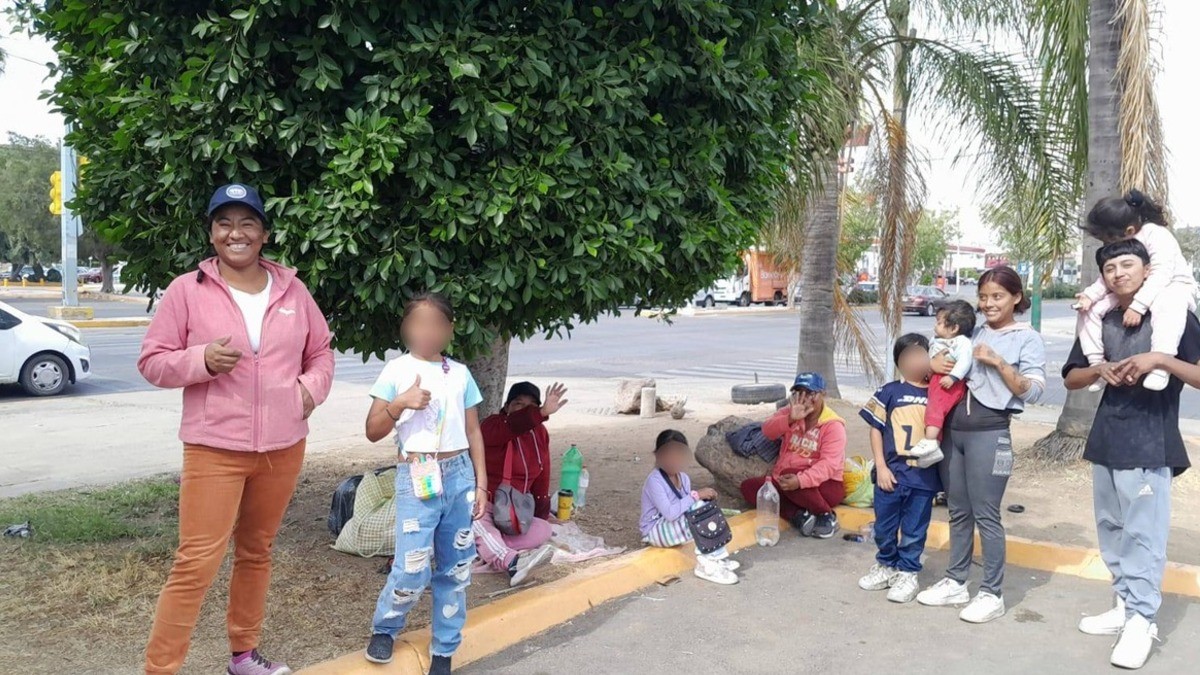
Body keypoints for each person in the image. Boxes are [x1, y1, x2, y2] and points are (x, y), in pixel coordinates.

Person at [138, 183, 335, 675]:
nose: (236, 233)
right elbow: (152, 361)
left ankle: (243, 656)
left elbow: (321, 351)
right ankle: (160, 669)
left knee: (256, 551)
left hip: (283, 447)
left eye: (247, 223)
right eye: (224, 223)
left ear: (264, 234)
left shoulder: (293, 289)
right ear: (212, 234)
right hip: (214, 449)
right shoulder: (188, 291)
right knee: (195, 564)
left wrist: (309, 390)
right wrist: (199, 359)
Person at [1064, 239, 1200, 670]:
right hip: (1106, 439)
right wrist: (1098, 369)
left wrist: (1158, 358)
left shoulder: (1175, 313)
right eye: (1110, 268)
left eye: (1128, 264)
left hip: (1150, 441)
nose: (1119, 273)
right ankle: (1124, 605)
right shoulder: (1099, 316)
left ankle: (1143, 619)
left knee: (1144, 535)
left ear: (1147, 269)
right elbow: (1070, 377)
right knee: (1112, 529)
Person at [361, 293, 488, 674]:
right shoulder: (396, 371)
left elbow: (472, 430)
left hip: (459, 475)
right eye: (418, 324)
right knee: (412, 567)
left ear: (449, 329)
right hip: (416, 475)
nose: (427, 332)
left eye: (436, 325)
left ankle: (444, 649)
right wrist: (400, 403)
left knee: (455, 568)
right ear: (405, 328)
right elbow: (372, 430)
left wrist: (481, 483)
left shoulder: (461, 374)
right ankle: (385, 627)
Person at [916, 265, 1046, 624]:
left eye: (998, 296)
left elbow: (1034, 391)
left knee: (987, 515)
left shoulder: (1026, 337)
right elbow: (943, 372)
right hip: (954, 434)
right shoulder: (972, 334)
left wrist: (998, 362)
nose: (989, 304)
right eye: (984, 297)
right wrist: (936, 363)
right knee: (958, 510)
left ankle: (992, 592)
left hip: (991, 434)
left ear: (1016, 298)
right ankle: (956, 581)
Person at [1074, 190, 1197, 392]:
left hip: (1173, 286)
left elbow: (1161, 274)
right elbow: (1106, 277)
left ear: (1129, 230)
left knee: (1167, 302)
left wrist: (1138, 306)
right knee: (1089, 309)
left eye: (1106, 239)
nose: (1105, 244)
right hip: (1137, 293)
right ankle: (1096, 361)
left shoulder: (1157, 236)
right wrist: (1089, 296)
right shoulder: (1124, 240)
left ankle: (1160, 363)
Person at [858, 334, 941, 604]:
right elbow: (875, 430)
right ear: (898, 362)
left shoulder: (938, 393)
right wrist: (880, 466)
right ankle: (886, 564)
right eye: (908, 356)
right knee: (884, 525)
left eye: (921, 355)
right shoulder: (889, 391)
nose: (915, 361)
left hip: (923, 476)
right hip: (891, 474)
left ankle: (907, 571)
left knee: (915, 528)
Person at [474, 381, 569, 587]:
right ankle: (512, 563)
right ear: (507, 407)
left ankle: (484, 547)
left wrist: (542, 514)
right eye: (518, 404)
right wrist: (541, 412)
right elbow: (514, 424)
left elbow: (542, 476)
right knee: (478, 523)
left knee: (543, 529)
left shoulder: (539, 433)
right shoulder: (493, 425)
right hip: (483, 505)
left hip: (513, 512)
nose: (524, 410)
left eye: (531, 406)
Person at [740, 372, 846, 539]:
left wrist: (800, 481)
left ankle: (826, 515)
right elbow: (767, 430)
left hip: (824, 485)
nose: (804, 399)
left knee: (788, 475)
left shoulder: (833, 426)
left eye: (810, 393)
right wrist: (790, 418)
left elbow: (828, 465)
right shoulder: (790, 412)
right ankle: (799, 516)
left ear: (822, 394)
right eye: (798, 393)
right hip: (787, 482)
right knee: (750, 487)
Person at [640, 430, 740, 585]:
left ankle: (716, 557)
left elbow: (689, 507)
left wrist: (704, 501)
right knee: (698, 515)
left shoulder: (684, 478)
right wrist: (696, 495)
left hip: (672, 527)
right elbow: (670, 513)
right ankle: (705, 565)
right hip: (654, 530)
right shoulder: (655, 481)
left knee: (705, 510)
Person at [910, 300, 977, 467]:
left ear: (954, 328)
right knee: (934, 412)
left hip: (948, 383)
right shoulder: (935, 340)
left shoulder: (961, 342)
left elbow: (964, 361)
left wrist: (953, 377)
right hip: (936, 381)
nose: (935, 326)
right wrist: (930, 365)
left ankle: (930, 440)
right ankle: (934, 448)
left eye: (940, 323)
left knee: (935, 410)